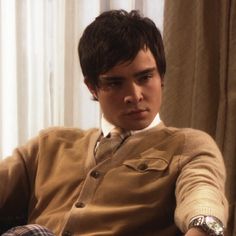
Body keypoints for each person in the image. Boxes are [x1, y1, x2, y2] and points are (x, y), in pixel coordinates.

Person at [0, 9, 228, 236]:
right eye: (115, 83)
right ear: (92, 87)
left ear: (161, 77)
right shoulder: (49, 145)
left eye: (145, 77)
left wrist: (204, 226)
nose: (135, 95)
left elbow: (203, 195)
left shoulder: (188, 146)